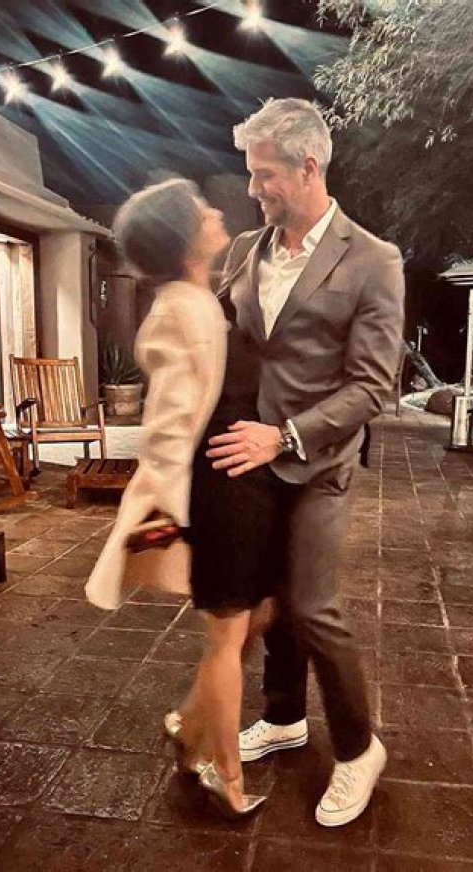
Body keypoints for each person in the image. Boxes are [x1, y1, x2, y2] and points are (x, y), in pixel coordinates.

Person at [206, 98, 405, 827]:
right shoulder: (244, 250)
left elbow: (374, 386)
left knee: (314, 605)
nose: (252, 187)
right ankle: (285, 716)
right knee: (272, 596)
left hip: (318, 461)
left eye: (264, 174)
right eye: (251, 172)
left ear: (308, 167)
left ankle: (358, 748)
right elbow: (227, 335)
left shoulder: (374, 260)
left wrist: (284, 436)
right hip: (250, 461)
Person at [85, 178, 277, 819]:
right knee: (228, 638)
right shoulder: (179, 311)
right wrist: (163, 519)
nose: (216, 212)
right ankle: (226, 774)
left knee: (256, 618)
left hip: (239, 490)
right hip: (220, 499)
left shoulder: (199, 300)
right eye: (201, 210)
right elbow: (166, 431)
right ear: (183, 238)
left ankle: (188, 725)